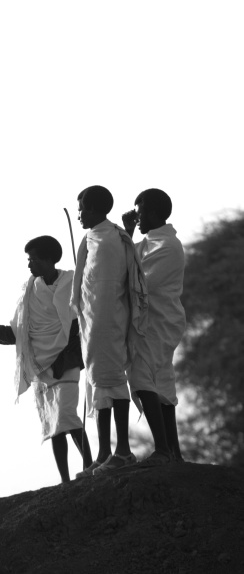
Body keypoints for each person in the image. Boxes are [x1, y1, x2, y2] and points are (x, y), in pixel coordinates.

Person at [0, 235, 92, 484]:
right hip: (40, 366)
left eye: (34, 259)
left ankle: (91, 466)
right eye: (29, 260)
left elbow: (80, 322)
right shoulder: (30, 291)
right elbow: (21, 332)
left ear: (49, 260)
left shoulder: (72, 282)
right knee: (53, 423)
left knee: (68, 416)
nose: (29, 265)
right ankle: (65, 480)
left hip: (67, 360)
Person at [70, 185, 148, 477]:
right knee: (98, 383)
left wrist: (101, 318)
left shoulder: (112, 239)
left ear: (92, 209)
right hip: (92, 322)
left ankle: (124, 451)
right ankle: (104, 453)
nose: (78, 215)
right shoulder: (91, 238)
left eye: (81, 209)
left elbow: (111, 286)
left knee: (113, 380)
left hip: (109, 320)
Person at [122, 188, 186, 463]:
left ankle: (162, 449)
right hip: (154, 322)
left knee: (139, 376)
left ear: (154, 213)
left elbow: (139, 282)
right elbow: (128, 263)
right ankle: (173, 452)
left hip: (159, 321)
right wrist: (129, 235)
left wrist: (127, 237)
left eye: (139, 213)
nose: (136, 218)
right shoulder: (149, 242)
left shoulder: (168, 246)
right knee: (162, 385)